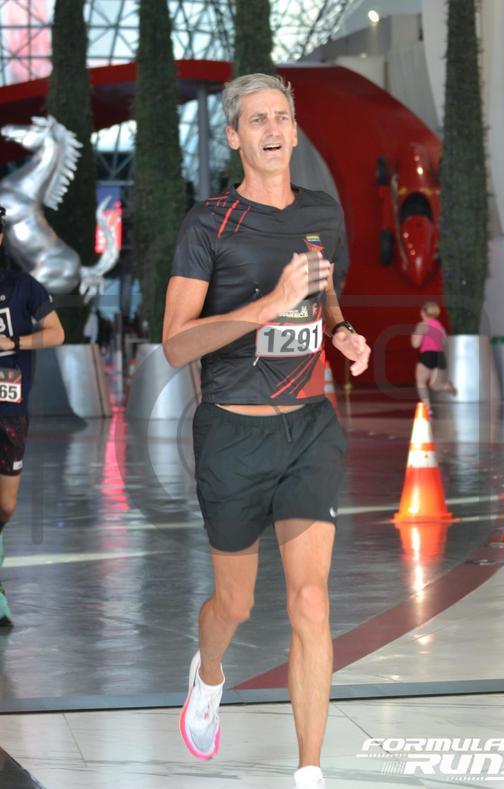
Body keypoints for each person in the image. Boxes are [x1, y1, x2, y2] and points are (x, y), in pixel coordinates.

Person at [163, 74, 370, 789]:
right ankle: (209, 674)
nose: (274, 129)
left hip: (310, 429)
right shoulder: (208, 225)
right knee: (237, 603)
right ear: (233, 136)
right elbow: (176, 344)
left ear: (294, 128)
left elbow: (325, 291)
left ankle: (309, 770)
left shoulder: (321, 212)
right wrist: (265, 305)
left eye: (282, 116)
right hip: (232, 435)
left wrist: (341, 331)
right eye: (257, 120)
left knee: (311, 599)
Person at [0, 205, 65, 626]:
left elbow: (57, 333)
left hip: (11, 409)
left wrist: (14, 342)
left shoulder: (23, 286)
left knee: (5, 505)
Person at [411, 301, 456, 413]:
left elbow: (415, 344)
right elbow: (444, 342)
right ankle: (446, 386)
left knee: (421, 383)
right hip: (439, 356)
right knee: (434, 385)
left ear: (423, 312)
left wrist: (413, 336)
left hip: (427, 355)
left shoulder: (422, 325)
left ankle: (428, 408)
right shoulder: (440, 326)